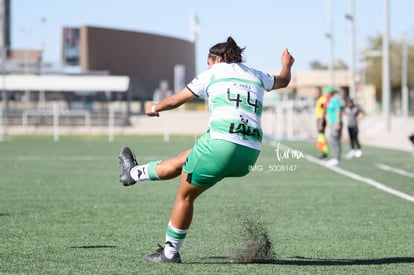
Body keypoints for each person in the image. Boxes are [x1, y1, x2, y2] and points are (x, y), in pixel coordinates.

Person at [118, 36, 295, 263]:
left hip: (220, 145)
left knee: (185, 196)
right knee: (185, 158)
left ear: (217, 59)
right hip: (250, 153)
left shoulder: (213, 72)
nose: (207, 66)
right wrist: (286, 65)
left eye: (208, 62)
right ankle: (132, 173)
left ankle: (170, 253)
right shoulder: (256, 74)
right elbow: (283, 80)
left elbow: (175, 100)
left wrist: (154, 107)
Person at [324, 86, 343, 166]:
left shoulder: (335, 100)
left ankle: (336, 158)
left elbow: (338, 110)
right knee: (333, 140)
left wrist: (337, 122)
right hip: (332, 123)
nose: (325, 94)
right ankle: (335, 157)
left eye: (326, 92)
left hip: (335, 123)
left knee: (335, 140)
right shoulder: (329, 101)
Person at [315, 87, 329, 159]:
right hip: (319, 119)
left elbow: (324, 110)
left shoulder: (323, 99)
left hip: (321, 120)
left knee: (322, 137)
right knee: (320, 137)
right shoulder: (319, 99)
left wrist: (321, 122)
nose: (315, 93)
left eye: (317, 91)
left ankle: (325, 152)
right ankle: (323, 152)